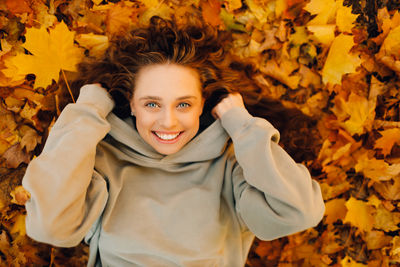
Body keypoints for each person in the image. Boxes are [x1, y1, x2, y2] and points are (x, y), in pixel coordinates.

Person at [22, 17, 325, 267]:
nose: (168, 122)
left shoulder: (230, 163)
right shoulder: (103, 159)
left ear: (203, 104)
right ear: (131, 104)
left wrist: (241, 124)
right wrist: (88, 110)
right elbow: (48, 225)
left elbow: (300, 211)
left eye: (183, 104)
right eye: (152, 104)